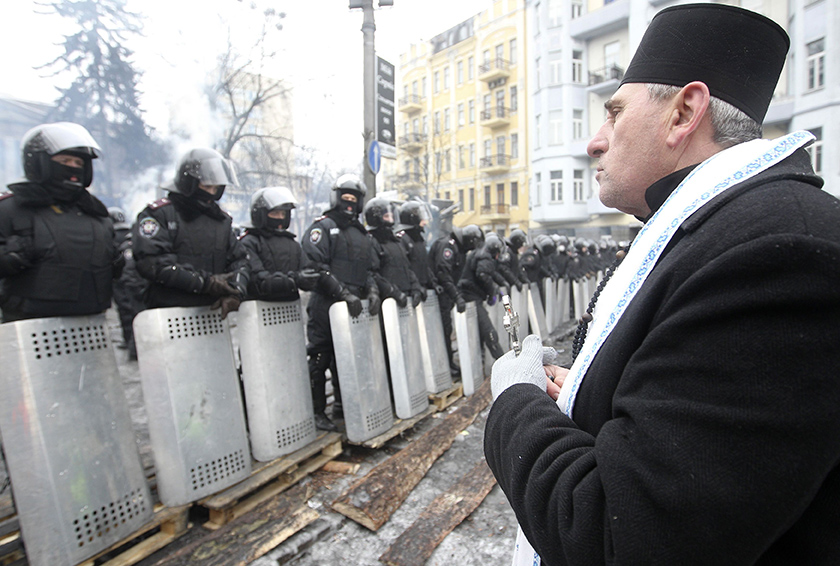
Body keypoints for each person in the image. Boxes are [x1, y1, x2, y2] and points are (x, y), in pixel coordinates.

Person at [485, 4, 840, 565]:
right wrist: (592, 389)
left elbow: (624, 535)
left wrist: (515, 401)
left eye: (615, 114)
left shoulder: (779, 252)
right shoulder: (726, 229)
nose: (593, 143)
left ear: (683, 114)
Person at [0, 122, 123, 323]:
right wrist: (8, 258)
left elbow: (113, 272)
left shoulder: (95, 213)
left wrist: (115, 260)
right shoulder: (10, 208)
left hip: (92, 327)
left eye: (79, 163)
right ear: (40, 162)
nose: (73, 168)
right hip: (30, 330)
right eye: (65, 160)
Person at [301, 174, 381, 432]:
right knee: (321, 357)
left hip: (355, 306)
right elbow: (315, 266)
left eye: (353, 199)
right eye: (345, 198)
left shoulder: (362, 235)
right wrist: (343, 294)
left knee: (348, 356)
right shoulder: (322, 227)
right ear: (336, 198)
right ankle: (316, 411)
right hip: (327, 304)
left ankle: (342, 406)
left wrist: (372, 291)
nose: (349, 203)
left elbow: (370, 269)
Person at [132, 147, 248, 319]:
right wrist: (204, 283)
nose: (211, 192)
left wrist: (236, 291)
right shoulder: (160, 214)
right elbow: (153, 262)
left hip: (210, 316)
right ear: (190, 182)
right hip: (168, 315)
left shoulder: (221, 221)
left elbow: (240, 260)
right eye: (207, 186)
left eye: (216, 187)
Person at [239, 186, 317, 303]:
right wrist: (293, 280)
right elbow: (257, 280)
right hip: (259, 311)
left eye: (283, 214)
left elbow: (308, 270)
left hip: (291, 311)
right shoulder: (249, 242)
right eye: (275, 213)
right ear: (261, 214)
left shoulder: (292, 244)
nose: (280, 218)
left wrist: (311, 278)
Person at [429, 224, 483, 377]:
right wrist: (456, 296)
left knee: (446, 328)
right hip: (439, 294)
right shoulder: (448, 246)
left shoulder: (459, 250)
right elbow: (443, 274)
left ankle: (448, 362)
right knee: (442, 330)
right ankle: (446, 364)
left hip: (446, 294)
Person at [364, 197, 424, 308]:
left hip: (404, 298)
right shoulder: (372, 241)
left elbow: (407, 267)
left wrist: (416, 287)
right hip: (387, 302)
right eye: (386, 216)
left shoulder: (396, 241)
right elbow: (373, 273)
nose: (390, 220)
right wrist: (393, 292)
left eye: (392, 216)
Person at [457, 232, 506, 360]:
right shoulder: (484, 257)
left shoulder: (479, 254)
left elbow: (490, 273)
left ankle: (483, 359)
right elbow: (483, 274)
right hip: (471, 297)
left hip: (470, 296)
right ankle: (502, 360)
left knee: (479, 331)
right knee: (488, 331)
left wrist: (497, 287)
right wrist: (492, 292)